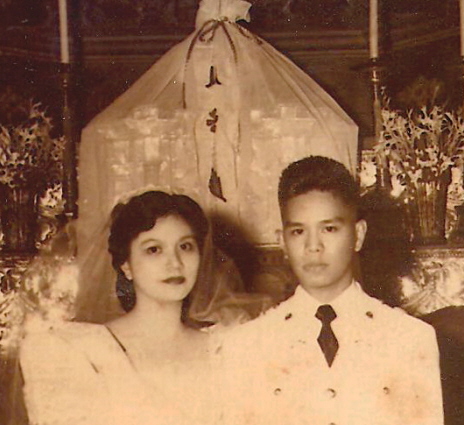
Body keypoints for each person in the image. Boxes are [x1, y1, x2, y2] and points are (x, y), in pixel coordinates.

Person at [220, 156, 444, 425]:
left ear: (358, 235)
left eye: (329, 228)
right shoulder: (246, 346)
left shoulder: (408, 338)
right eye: (298, 232)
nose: (313, 246)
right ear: (282, 242)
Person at [19, 190, 226, 425]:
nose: (175, 263)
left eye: (186, 246)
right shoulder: (80, 350)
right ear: (126, 265)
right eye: (154, 250)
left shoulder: (224, 348)